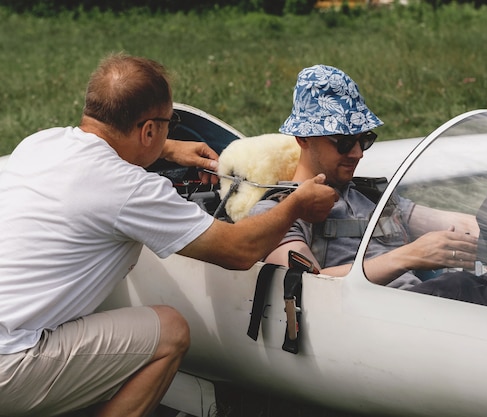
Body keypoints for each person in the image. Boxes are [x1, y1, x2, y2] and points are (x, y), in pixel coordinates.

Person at [0, 53, 337, 417]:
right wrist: (295, 204)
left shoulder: (42, 143)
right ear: (147, 129)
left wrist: (168, 147)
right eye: (167, 123)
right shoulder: (130, 189)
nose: (168, 130)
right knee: (171, 331)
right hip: (11, 363)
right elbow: (240, 249)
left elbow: (99, 160)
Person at [250, 64, 487, 308]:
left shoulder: (372, 197)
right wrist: (409, 256)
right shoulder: (276, 212)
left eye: (364, 140)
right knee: (462, 286)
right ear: (303, 139)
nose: (357, 153)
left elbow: (457, 224)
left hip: (418, 312)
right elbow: (306, 284)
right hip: (367, 318)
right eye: (343, 142)